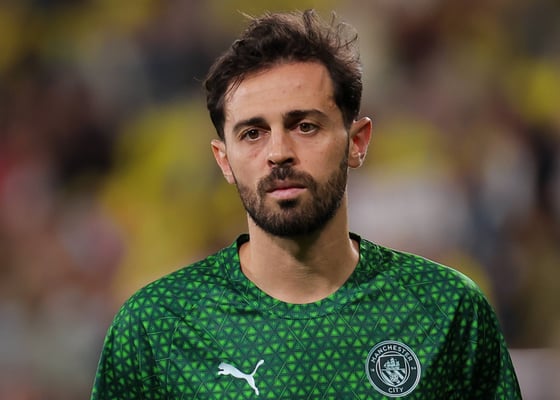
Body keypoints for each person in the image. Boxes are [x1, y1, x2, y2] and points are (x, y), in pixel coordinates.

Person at [91, 9, 521, 399]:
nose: (279, 152)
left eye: (305, 126)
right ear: (224, 160)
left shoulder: (446, 309)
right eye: (252, 133)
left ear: (357, 142)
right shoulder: (156, 326)